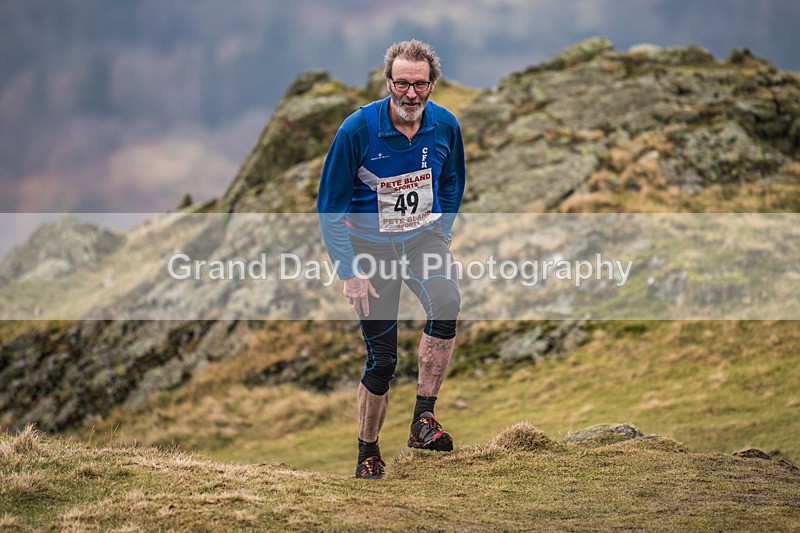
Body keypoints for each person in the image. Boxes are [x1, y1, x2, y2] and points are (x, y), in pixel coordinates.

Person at [317, 39, 466, 480]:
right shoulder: (357, 130)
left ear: (433, 85)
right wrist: (350, 272)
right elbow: (330, 207)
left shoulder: (445, 125)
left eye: (420, 84)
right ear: (388, 83)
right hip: (370, 251)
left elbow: (454, 181)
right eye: (402, 83)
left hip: (422, 240)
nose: (410, 94)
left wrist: (443, 229)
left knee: (448, 300)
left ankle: (423, 419)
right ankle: (368, 453)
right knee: (382, 359)